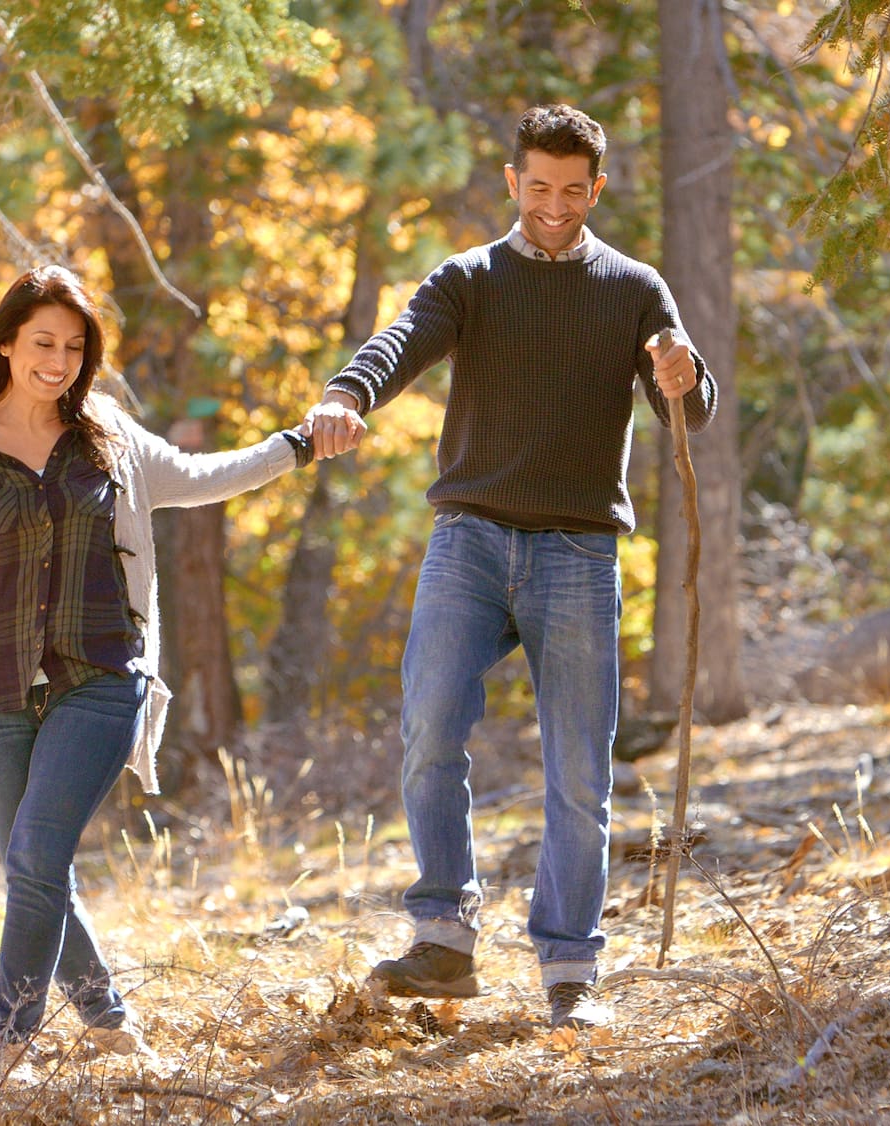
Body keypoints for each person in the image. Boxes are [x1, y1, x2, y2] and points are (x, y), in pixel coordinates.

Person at [0, 265, 312, 1062]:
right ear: (9, 343)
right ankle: (111, 1021)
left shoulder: (108, 434)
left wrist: (295, 446)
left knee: (35, 855)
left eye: (74, 347)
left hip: (100, 675)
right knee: (34, 867)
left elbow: (200, 478)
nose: (57, 361)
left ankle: (7, 1043)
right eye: (43, 343)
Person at [303, 104, 717, 1030]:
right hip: (471, 538)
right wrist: (345, 393)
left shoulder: (635, 288)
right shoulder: (471, 278)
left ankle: (571, 970)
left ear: (597, 189)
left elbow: (685, 409)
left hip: (578, 552)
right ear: (512, 181)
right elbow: (399, 343)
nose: (555, 207)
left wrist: (688, 375)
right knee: (429, 729)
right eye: (539, 188)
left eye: (573, 192)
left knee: (579, 772)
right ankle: (444, 938)